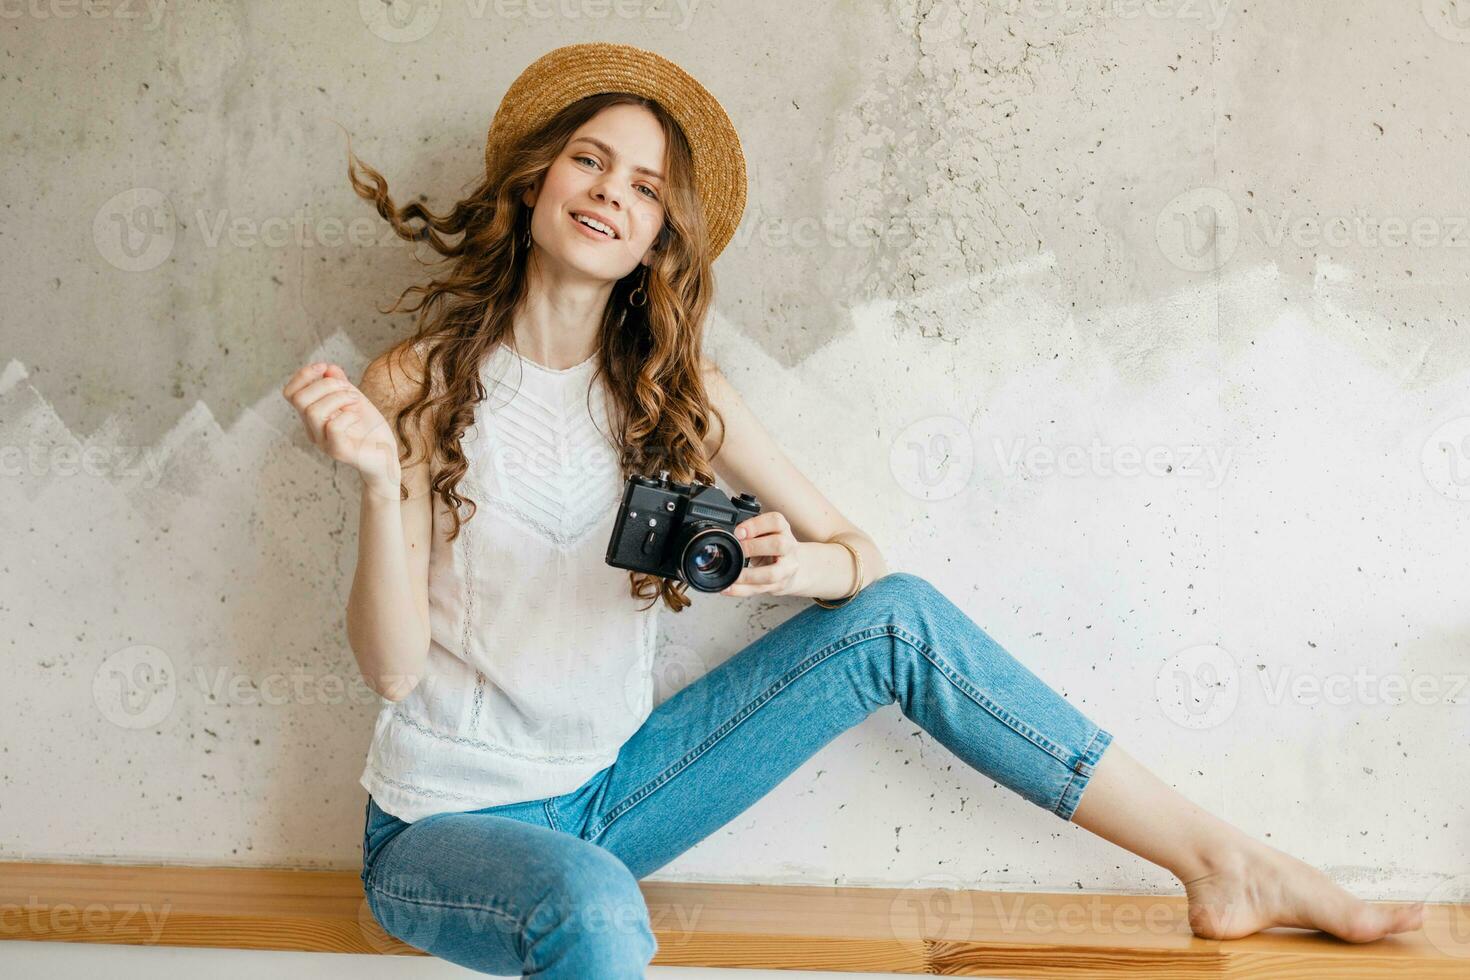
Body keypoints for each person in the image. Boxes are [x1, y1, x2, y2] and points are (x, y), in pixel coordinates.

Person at [281, 41, 1425, 979]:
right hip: (441, 832)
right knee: (593, 906)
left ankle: (1223, 859)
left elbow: (865, 560)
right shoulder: (419, 383)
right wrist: (382, 482)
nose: (609, 194)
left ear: (657, 242)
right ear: (538, 181)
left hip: (616, 786)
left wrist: (798, 568)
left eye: (643, 189)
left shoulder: (677, 395)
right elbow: (390, 667)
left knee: (899, 616)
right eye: (590, 161)